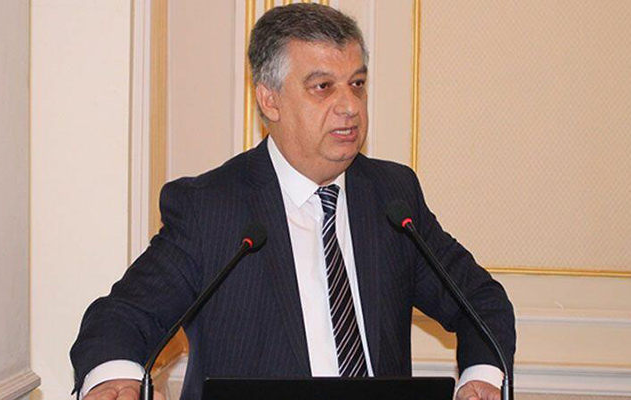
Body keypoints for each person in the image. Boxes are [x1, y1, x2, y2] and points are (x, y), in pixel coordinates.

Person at [71, 4, 515, 400]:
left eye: (357, 84)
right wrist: (115, 378)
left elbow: (480, 300)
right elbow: (122, 316)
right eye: (323, 87)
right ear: (270, 100)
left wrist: (481, 377)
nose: (350, 106)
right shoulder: (211, 208)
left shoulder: (392, 196)